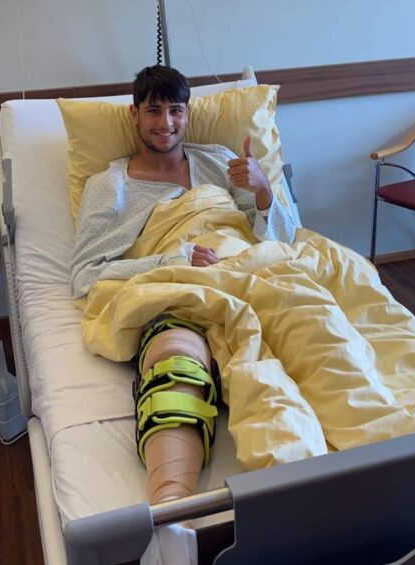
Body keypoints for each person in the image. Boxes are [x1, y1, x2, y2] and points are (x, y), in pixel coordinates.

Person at [71, 65, 298, 506]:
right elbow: (85, 275)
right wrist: (172, 260)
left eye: (176, 110)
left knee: (306, 325)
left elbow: (285, 239)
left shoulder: (220, 162)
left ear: (188, 114)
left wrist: (264, 191)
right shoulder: (109, 186)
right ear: (134, 115)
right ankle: (173, 510)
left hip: (251, 274)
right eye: (154, 111)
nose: (166, 123)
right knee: (177, 360)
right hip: (175, 294)